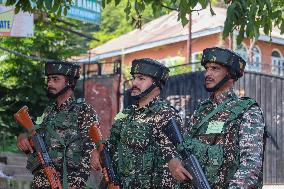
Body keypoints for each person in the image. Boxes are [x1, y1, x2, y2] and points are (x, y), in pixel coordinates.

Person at [169, 47, 265, 189]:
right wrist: (174, 162)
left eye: (215, 68)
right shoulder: (201, 110)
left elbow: (250, 165)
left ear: (231, 74)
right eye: (207, 68)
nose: (208, 73)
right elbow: (184, 148)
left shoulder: (247, 110)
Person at [91, 58, 186, 188]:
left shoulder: (166, 115)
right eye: (134, 78)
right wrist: (98, 151)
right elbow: (113, 146)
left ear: (156, 84)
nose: (134, 82)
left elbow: (173, 160)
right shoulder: (126, 114)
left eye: (141, 79)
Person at [16, 61, 99, 189]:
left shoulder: (84, 110)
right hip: (41, 182)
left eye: (55, 79)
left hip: (67, 183)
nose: (49, 83)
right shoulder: (48, 111)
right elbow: (34, 133)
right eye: (49, 79)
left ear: (70, 82)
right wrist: (23, 137)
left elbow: (91, 151)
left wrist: (77, 183)